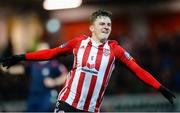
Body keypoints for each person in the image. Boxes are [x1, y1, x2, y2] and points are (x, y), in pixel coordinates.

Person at [0, 9, 175, 112]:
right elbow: (51, 53)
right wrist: (22, 57)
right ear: (92, 27)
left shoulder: (115, 50)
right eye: (102, 24)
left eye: (109, 25)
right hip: (67, 103)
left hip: (91, 109)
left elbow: (138, 70)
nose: (106, 27)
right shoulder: (78, 43)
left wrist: (159, 87)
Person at [25, 42, 68, 112]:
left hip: (46, 96)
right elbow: (22, 69)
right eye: (41, 49)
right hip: (33, 96)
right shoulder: (32, 63)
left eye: (45, 50)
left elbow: (66, 75)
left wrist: (54, 82)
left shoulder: (53, 64)